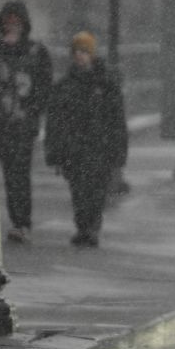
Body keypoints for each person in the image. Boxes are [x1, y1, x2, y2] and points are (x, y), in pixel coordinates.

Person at [45, 32, 126, 247]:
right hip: (76, 149)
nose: (80, 56)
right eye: (77, 52)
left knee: (96, 190)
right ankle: (83, 226)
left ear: (91, 54)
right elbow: (56, 121)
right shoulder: (66, 86)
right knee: (79, 191)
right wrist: (56, 150)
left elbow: (116, 120)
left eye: (84, 52)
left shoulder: (105, 84)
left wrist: (117, 150)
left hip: (98, 147)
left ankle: (91, 227)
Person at [0, 0, 53, 244]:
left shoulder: (36, 52)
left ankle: (21, 221)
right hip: (2, 121)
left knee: (19, 171)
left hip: (23, 123)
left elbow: (44, 86)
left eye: (17, 21)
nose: (12, 26)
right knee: (10, 171)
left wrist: (33, 110)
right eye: (9, 21)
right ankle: (18, 220)